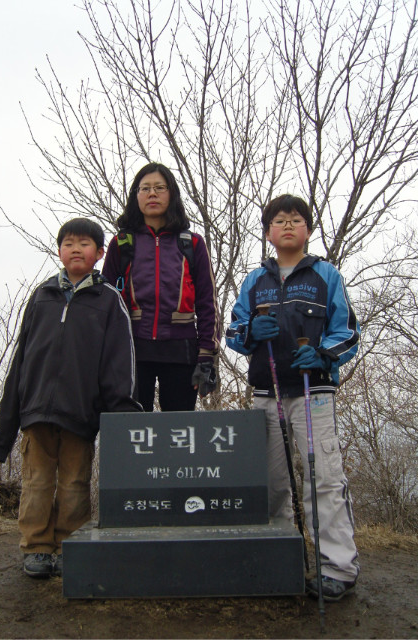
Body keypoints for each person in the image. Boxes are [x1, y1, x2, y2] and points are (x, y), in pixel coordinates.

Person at [226, 194, 360, 602]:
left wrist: (323, 355)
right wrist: (250, 334)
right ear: (268, 233)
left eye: (296, 219)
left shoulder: (326, 275)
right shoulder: (254, 280)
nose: (288, 225)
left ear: (308, 229)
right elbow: (233, 332)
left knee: (324, 478)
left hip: (312, 392)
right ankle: (278, 559)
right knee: (271, 481)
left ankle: (337, 568)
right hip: (266, 394)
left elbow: (348, 331)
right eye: (279, 220)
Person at [0, 218, 142, 579]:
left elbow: (119, 362)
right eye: (69, 243)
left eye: (85, 244)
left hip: (80, 411)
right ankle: (37, 546)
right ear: (59, 250)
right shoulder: (42, 295)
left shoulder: (109, 300)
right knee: (36, 482)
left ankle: (69, 546)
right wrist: (6, 428)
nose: (76, 249)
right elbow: (21, 358)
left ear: (100, 253)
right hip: (35, 410)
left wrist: (121, 414)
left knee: (75, 482)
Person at [102, 162, 220, 412]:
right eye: (145, 188)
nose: (152, 194)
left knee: (178, 430)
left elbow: (207, 301)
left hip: (181, 351)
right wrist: (105, 352)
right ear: (136, 196)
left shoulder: (192, 243)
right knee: (132, 428)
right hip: (131, 351)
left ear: (172, 193)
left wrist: (206, 354)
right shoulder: (122, 243)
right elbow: (105, 303)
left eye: (159, 187)